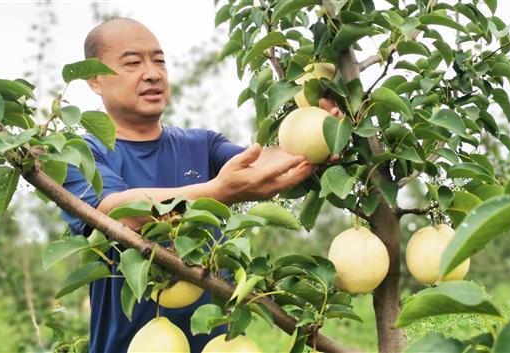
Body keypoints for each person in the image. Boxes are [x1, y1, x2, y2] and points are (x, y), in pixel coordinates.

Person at [60, 18, 341, 353]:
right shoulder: (79, 153)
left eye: (159, 61)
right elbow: (116, 214)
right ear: (95, 80)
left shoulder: (200, 144)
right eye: (133, 63)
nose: (152, 73)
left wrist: (321, 132)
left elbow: (267, 164)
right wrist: (217, 192)